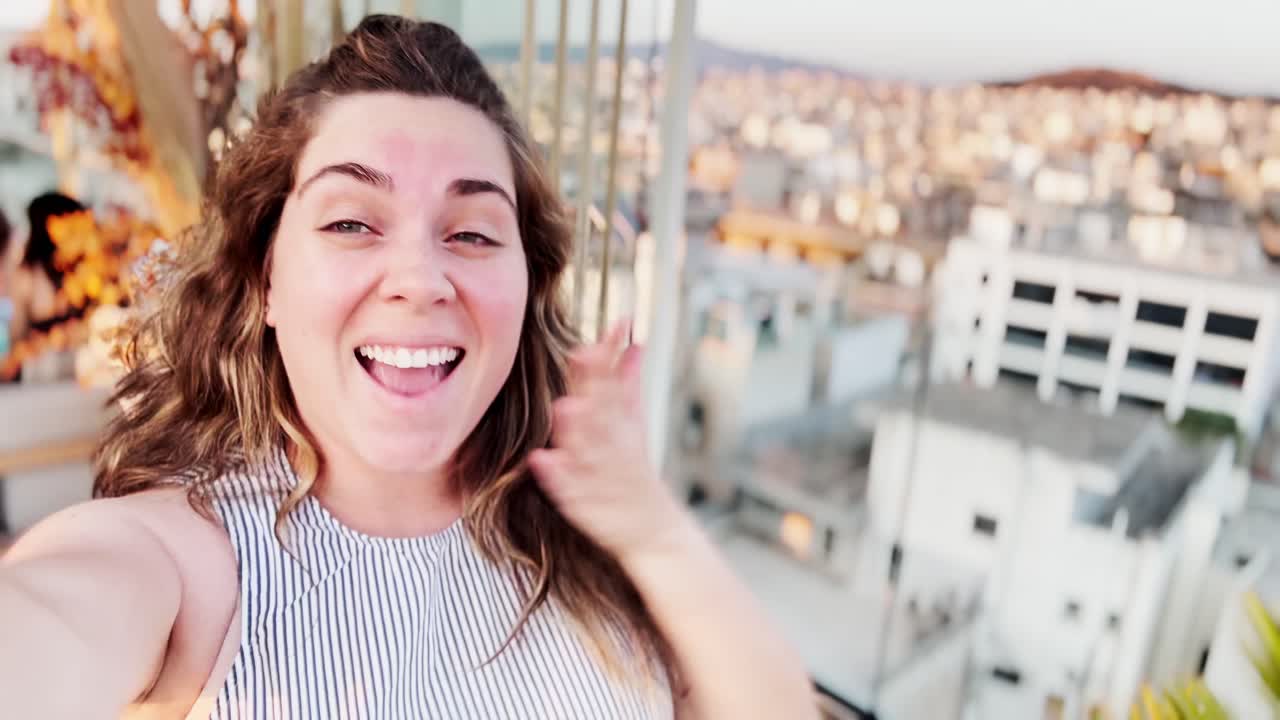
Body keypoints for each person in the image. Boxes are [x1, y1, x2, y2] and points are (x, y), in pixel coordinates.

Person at [0, 16, 815, 720]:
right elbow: (52, 617)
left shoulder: (584, 542)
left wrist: (652, 531)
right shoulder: (190, 565)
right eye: (353, 222)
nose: (422, 279)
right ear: (266, 279)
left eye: (472, 233)